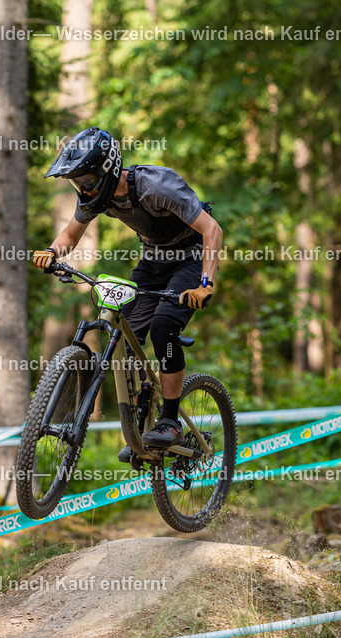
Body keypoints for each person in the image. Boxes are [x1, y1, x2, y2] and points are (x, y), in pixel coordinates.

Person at [32, 127, 222, 464]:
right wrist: (52, 252)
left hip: (190, 258)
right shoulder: (97, 198)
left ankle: (169, 421)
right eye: (77, 183)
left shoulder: (156, 186)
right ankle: (139, 427)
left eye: (86, 179)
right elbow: (71, 235)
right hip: (153, 261)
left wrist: (205, 284)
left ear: (106, 168)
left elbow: (212, 230)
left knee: (164, 327)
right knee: (123, 335)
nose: (83, 188)